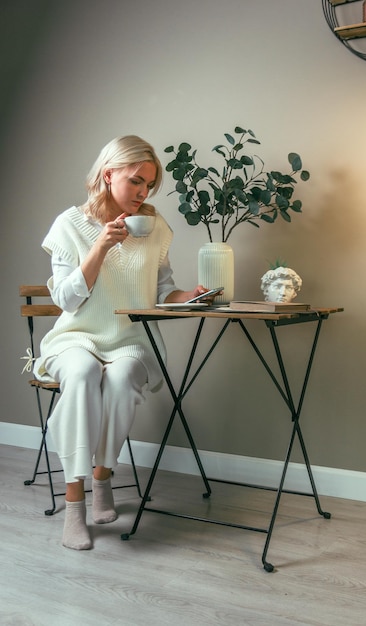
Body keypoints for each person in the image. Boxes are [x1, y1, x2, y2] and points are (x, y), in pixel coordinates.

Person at [34, 135, 214, 551]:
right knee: (81, 372)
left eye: (148, 185)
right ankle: (74, 503)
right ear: (108, 174)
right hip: (76, 338)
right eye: (135, 181)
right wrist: (99, 246)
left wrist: (190, 297)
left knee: (125, 376)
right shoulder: (69, 225)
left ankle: (102, 479)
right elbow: (65, 299)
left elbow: (162, 292)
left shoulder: (154, 228)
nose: (142, 192)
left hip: (127, 341)